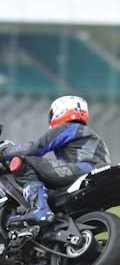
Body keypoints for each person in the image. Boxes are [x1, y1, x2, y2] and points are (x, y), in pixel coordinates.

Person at [0, 96, 110, 226]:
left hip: (82, 169)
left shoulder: (69, 128)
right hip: (94, 173)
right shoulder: (90, 134)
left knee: (24, 161)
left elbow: (36, 148)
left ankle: (40, 209)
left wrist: (5, 151)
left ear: (61, 111)